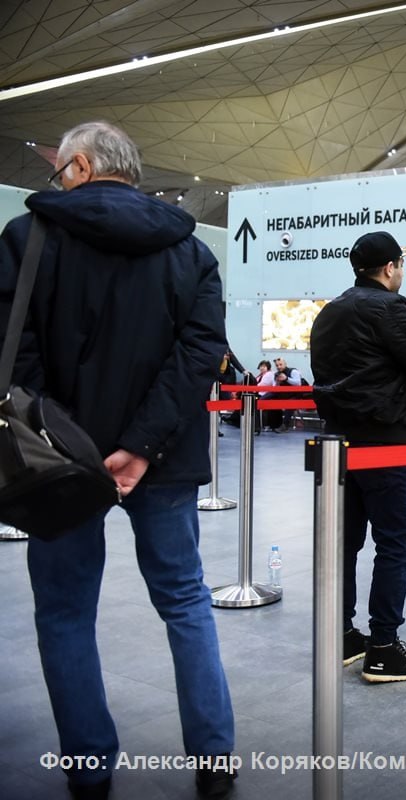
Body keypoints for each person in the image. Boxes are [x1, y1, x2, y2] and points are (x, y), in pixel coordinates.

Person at [0, 121, 236, 799]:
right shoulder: (190, 250)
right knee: (186, 600)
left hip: (51, 465)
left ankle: (89, 769)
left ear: (78, 165)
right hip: (163, 461)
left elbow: (13, 358)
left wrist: (71, 446)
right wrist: (139, 446)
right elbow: (199, 357)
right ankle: (215, 761)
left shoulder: (27, 238)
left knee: (65, 612)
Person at [310, 231, 406, 682]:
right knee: (394, 545)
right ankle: (383, 648)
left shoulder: (329, 311)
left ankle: (340, 637)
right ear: (391, 267)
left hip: (338, 443)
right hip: (385, 442)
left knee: (345, 543)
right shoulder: (391, 308)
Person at [272, 356, 303, 431]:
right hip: (282, 395)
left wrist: (286, 379)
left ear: (285, 364)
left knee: (290, 403)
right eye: (277, 365)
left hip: (294, 395)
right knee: (270, 399)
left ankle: (285, 426)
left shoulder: (293, 371)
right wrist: (277, 382)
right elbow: (274, 387)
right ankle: (273, 424)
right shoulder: (276, 374)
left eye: (280, 364)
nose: (279, 367)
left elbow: (298, 383)